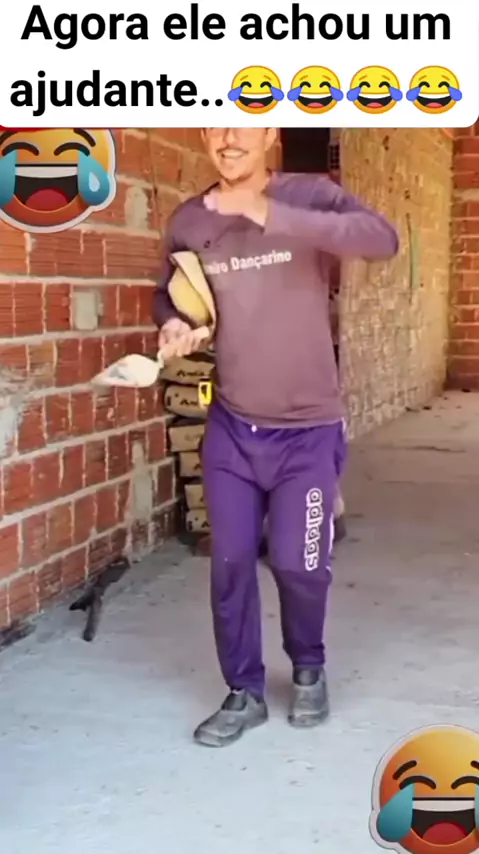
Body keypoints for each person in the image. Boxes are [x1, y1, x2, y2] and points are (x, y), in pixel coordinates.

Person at [153, 128, 398, 748]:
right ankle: (244, 691)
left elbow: (381, 240)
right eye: (215, 122)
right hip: (233, 426)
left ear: (268, 131)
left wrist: (264, 210)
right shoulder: (190, 221)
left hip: (307, 431)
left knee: (299, 562)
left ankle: (309, 666)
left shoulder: (311, 197)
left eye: (244, 121)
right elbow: (171, 295)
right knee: (231, 564)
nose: (229, 137)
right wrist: (175, 324)